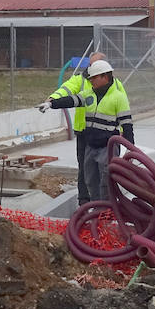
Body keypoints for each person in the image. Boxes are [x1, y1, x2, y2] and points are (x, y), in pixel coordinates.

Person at [42, 59, 133, 204]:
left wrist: (130, 150)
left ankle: (107, 209)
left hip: (108, 147)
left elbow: (127, 125)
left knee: (106, 180)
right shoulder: (88, 94)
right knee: (90, 180)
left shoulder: (118, 97)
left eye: (94, 78)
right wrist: (51, 104)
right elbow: (71, 100)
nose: (91, 81)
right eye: (90, 78)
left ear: (104, 77)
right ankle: (97, 209)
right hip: (91, 146)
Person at [38, 52, 107, 205]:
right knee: (84, 167)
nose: (90, 68)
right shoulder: (81, 80)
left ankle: (103, 202)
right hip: (84, 132)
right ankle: (84, 201)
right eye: (90, 64)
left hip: (104, 133)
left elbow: (122, 109)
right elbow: (66, 90)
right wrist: (52, 100)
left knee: (104, 168)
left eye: (94, 65)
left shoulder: (114, 85)